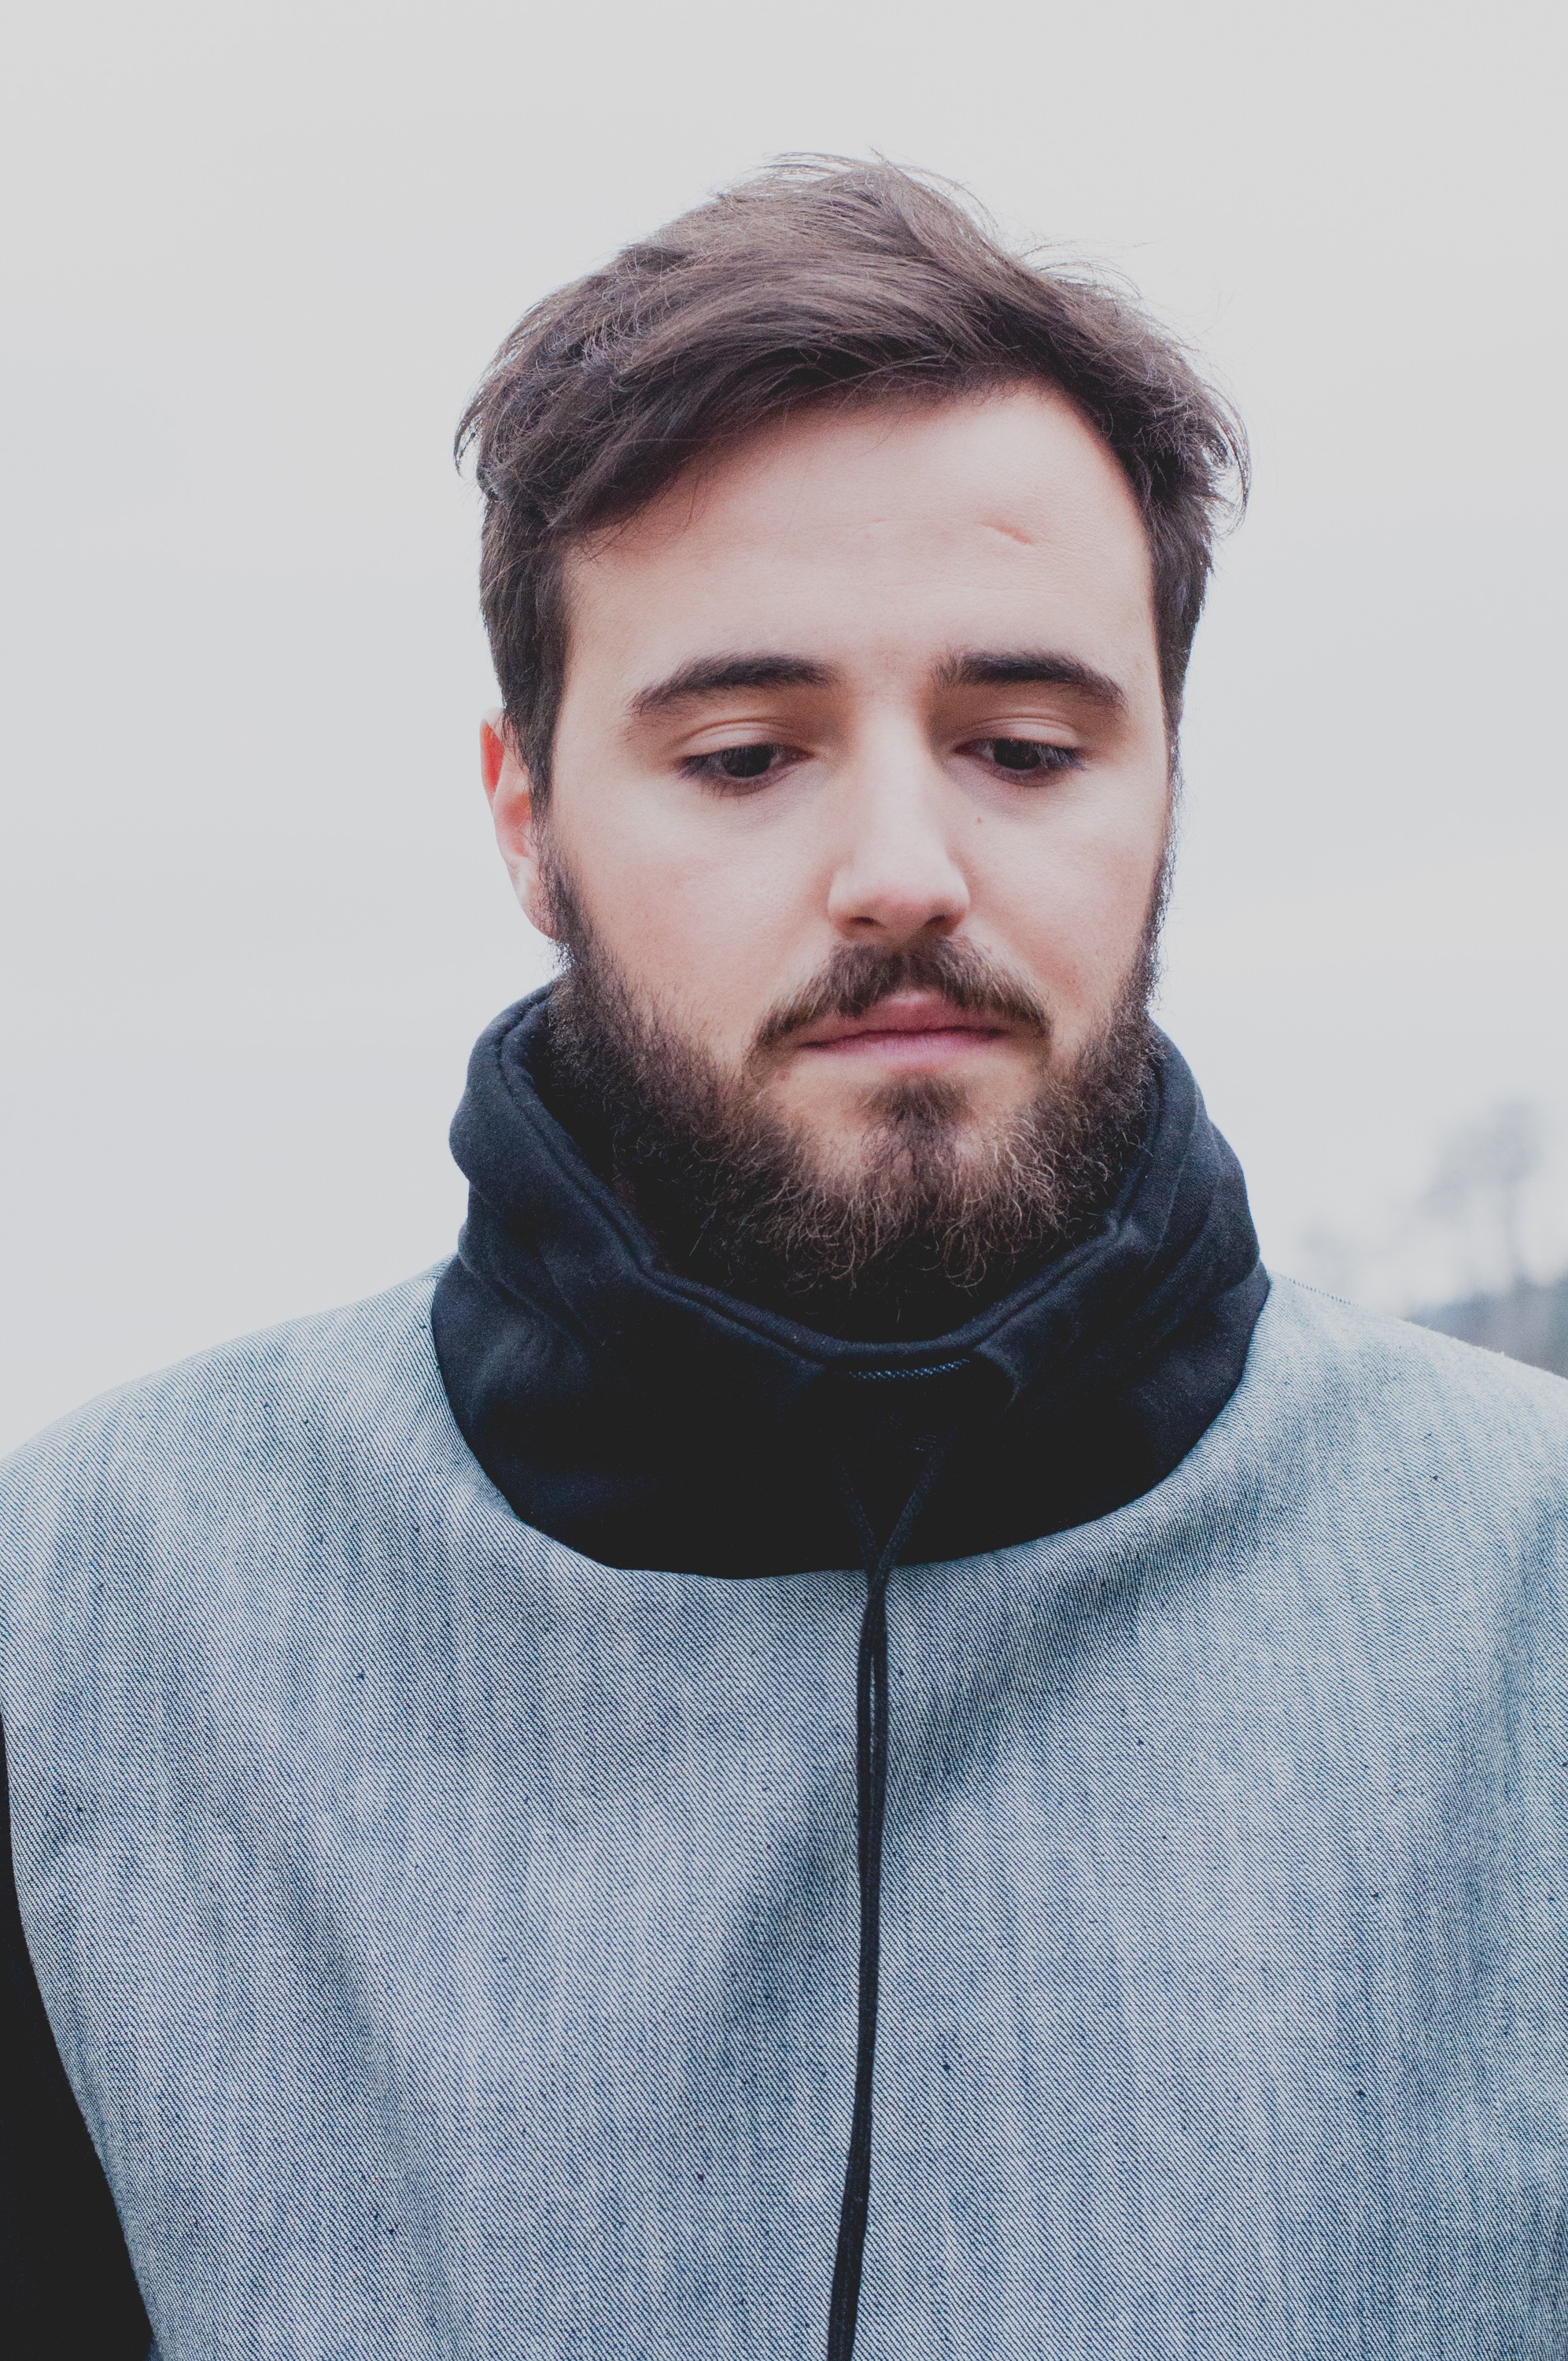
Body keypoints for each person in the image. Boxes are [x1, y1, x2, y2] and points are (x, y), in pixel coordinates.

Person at [4, 158, 1567, 2361]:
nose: (900, 868)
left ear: (1167, 782)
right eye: (745, 756)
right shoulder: (81, 1636)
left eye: (1023, 747)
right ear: (525, 818)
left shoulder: (1531, 1595)